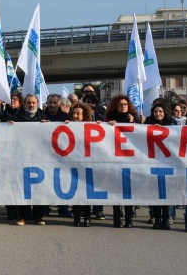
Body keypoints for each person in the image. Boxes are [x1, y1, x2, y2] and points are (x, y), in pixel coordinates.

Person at [9, 94, 47, 226]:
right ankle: (23, 216)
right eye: (28, 103)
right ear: (24, 104)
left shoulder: (44, 117)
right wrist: (9, 126)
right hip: (22, 156)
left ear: (37, 103)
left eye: (33, 103)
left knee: (39, 186)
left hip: (40, 157)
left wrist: (48, 127)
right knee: (22, 186)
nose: (31, 105)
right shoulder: (16, 117)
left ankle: (38, 216)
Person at [103, 95, 137, 228]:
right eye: (120, 104)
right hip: (115, 159)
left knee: (128, 191)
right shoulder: (109, 120)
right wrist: (109, 126)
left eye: (125, 104)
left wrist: (133, 124)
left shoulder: (134, 120)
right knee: (116, 189)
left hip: (130, 160)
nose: (123, 106)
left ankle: (129, 219)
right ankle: (117, 218)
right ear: (115, 106)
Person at [144, 102, 175, 230]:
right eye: (156, 111)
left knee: (166, 192)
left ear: (165, 113)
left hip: (167, 162)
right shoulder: (148, 123)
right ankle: (157, 218)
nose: (158, 114)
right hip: (152, 162)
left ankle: (166, 219)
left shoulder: (172, 124)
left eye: (161, 111)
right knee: (155, 192)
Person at [67, 102, 95, 227]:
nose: (76, 116)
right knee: (76, 191)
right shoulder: (67, 126)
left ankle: (87, 217)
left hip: (87, 163)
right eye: (74, 113)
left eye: (78, 113)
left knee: (86, 191)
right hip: (73, 163)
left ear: (84, 115)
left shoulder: (91, 127)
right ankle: (77, 217)